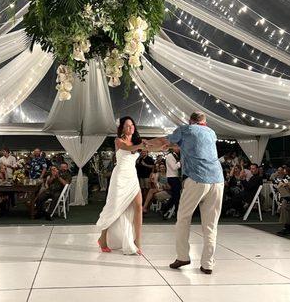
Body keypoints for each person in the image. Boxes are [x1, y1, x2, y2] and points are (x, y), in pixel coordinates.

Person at [144, 112, 224, 274]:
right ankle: (208, 264)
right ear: (204, 122)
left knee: (183, 218)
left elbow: (162, 141)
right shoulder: (211, 132)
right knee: (210, 224)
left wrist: (145, 143)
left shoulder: (186, 129)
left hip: (197, 179)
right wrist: (176, 146)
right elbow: (194, 147)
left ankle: (183, 256)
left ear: (190, 121)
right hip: (218, 180)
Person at [96, 116, 144, 255]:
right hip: (119, 177)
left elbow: (146, 146)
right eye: (128, 125)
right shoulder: (118, 141)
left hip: (132, 177)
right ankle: (102, 238)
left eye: (132, 125)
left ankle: (137, 241)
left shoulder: (136, 141)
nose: (131, 127)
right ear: (122, 128)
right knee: (113, 207)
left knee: (138, 208)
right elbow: (127, 148)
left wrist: (163, 145)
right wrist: (141, 145)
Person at [162, 145, 182, 216]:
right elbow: (174, 167)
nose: (179, 148)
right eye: (178, 147)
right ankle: (167, 210)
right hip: (172, 178)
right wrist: (181, 162)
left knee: (176, 196)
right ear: (173, 148)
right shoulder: (170, 156)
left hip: (175, 177)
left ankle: (167, 210)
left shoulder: (175, 156)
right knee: (176, 196)